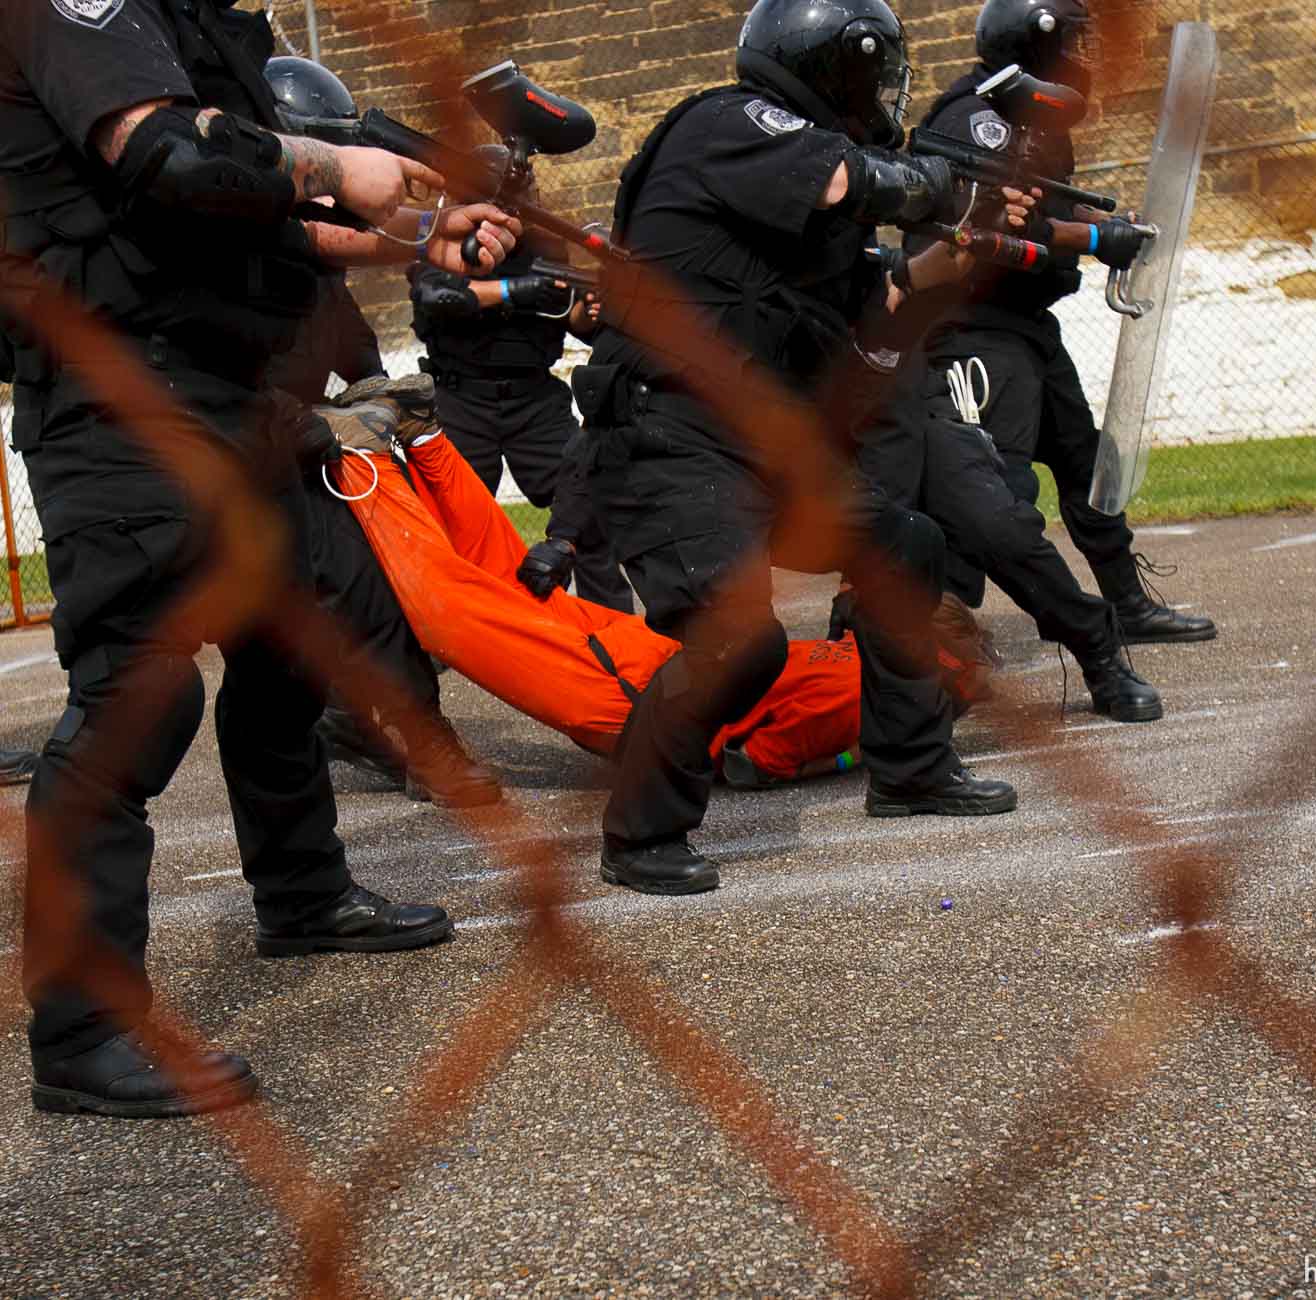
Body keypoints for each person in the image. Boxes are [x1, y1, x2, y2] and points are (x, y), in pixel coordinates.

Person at [0, 0, 518, 1118]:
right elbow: (170, 155)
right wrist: (338, 159)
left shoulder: (187, 23)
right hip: (120, 396)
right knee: (138, 695)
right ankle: (84, 1029)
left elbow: (238, 212)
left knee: (291, 647)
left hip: (235, 391)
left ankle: (301, 892)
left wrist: (403, 233)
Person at [577, 0, 1021, 898]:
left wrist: (960, 254)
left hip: (763, 446)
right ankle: (640, 835)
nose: (890, 91)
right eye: (880, 70)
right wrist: (939, 183)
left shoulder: (814, 213)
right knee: (741, 644)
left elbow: (881, 314)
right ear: (835, 66)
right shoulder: (731, 123)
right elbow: (846, 181)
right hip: (670, 439)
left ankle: (910, 771)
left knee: (906, 547)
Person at [312, 378, 998, 788]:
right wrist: (849, 760)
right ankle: (363, 455)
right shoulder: (857, 690)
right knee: (454, 611)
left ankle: (421, 434)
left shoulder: (849, 666)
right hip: (624, 693)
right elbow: (749, 763)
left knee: (502, 579)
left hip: (638, 661)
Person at [915, 0, 1217, 645]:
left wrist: (1104, 229)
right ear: (1034, 40)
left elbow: (1042, 210)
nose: (1085, 56)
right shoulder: (979, 119)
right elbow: (997, 228)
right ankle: (930, 634)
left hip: (1024, 323)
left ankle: (1127, 605)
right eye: (1073, 42)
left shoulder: (1036, 116)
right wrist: (1098, 237)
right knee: (992, 481)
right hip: (971, 326)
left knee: (1087, 464)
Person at [262, 55, 499, 809]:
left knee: (368, 585)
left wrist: (381, 398)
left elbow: (350, 349)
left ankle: (393, 731)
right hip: (204, 441)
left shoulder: (314, 256)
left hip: (288, 446)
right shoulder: (221, 237)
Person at [409, 156, 634, 614]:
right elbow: (438, 298)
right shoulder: (446, 236)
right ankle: (452, 630)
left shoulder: (545, 245)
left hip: (535, 401)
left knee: (587, 518)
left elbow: (570, 320)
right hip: (461, 400)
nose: (516, 209)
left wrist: (587, 310)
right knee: (450, 527)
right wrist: (516, 290)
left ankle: (614, 628)